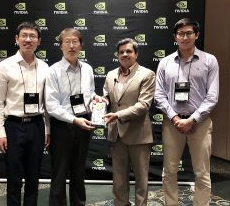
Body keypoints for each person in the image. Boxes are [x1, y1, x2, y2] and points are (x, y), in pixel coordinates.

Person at [154, 18, 219, 206]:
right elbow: (159, 95)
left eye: (189, 33)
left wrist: (193, 119)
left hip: (200, 123)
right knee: (169, 171)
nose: (184, 37)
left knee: (202, 173)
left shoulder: (210, 61)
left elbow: (212, 96)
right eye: (180, 33)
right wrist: (175, 118)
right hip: (172, 123)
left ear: (196, 35)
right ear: (175, 37)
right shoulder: (165, 62)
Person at [0, 22, 50, 206]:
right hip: (13, 126)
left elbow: (47, 103)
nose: (28, 39)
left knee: (34, 176)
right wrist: (0, 132)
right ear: (16, 39)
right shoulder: (5, 66)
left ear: (39, 41)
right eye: (24, 35)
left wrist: (47, 128)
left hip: (37, 125)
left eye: (32, 36)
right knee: (14, 177)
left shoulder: (45, 67)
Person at [45, 28, 104, 206]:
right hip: (62, 125)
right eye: (67, 42)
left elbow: (89, 92)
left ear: (81, 45)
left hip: (84, 123)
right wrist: (73, 120)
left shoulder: (87, 68)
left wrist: (95, 98)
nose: (71, 45)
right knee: (59, 173)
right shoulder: (53, 71)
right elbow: (51, 105)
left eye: (75, 42)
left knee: (79, 172)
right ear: (60, 45)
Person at [102, 38, 155, 206]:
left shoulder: (146, 74)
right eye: (121, 52)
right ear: (117, 55)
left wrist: (118, 115)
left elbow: (143, 105)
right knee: (118, 180)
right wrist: (99, 101)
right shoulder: (111, 75)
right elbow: (106, 98)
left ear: (136, 54)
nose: (125, 54)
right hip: (116, 134)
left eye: (129, 51)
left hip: (138, 134)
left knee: (141, 180)